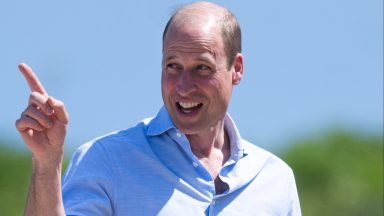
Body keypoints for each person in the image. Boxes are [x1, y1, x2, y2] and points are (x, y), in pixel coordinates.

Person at [15, 1, 301, 215]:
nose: (184, 86)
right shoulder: (105, 160)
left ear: (236, 69)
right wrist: (47, 163)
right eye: (173, 66)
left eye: (202, 68)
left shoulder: (275, 179)